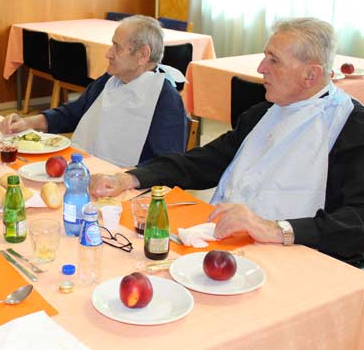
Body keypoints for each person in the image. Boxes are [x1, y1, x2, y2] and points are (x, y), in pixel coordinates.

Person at [91, 18, 364, 264]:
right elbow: (204, 161)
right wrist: (131, 178)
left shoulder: (351, 127)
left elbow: (358, 221)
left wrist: (275, 229)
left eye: (274, 60)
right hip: (233, 247)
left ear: (311, 75)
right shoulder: (263, 114)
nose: (261, 68)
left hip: (303, 261)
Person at [0, 15, 187, 167]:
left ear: (143, 54)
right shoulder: (109, 80)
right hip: (87, 169)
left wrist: (126, 179)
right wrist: (27, 123)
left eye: (117, 47)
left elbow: (167, 165)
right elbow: (73, 113)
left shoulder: (165, 98)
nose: (108, 53)